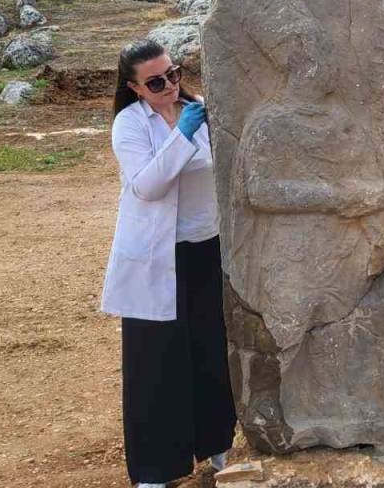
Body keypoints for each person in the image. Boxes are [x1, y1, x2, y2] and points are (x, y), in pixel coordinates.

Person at [101, 39, 237, 488]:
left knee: (210, 353)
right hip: (159, 258)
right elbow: (148, 186)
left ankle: (217, 445)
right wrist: (181, 136)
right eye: (156, 81)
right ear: (135, 88)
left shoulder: (197, 109)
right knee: (155, 363)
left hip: (206, 249)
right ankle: (155, 469)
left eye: (173, 74)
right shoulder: (129, 124)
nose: (169, 86)